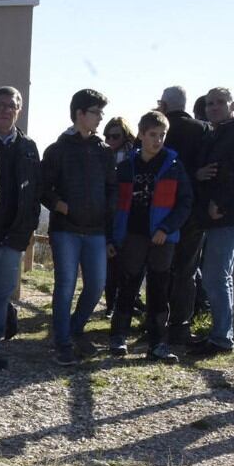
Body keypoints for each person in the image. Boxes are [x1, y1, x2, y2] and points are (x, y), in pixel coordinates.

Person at [107, 110, 194, 362]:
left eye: (162, 135)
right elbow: (114, 205)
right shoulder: (125, 167)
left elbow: (184, 203)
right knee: (128, 286)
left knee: (158, 290)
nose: (157, 140)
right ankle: (118, 337)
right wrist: (112, 238)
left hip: (162, 239)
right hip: (133, 235)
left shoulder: (174, 167)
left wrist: (166, 228)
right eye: (153, 135)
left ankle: (157, 343)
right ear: (141, 134)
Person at [40, 90, 117, 365]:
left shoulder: (104, 152)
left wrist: (108, 226)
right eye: (96, 112)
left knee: (96, 285)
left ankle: (74, 329)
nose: (100, 118)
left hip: (96, 230)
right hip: (66, 230)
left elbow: (112, 190)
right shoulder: (57, 150)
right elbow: (42, 188)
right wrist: (60, 205)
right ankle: (62, 342)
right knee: (65, 286)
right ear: (80, 114)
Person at [187, 88, 234, 354]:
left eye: (220, 103)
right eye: (210, 104)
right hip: (221, 215)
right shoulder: (220, 133)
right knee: (217, 275)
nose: (214, 107)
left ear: (233, 105)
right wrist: (198, 174)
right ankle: (220, 334)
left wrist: (218, 201)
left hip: (229, 214)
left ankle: (221, 339)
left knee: (215, 275)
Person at [0, 85, 42, 369]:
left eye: (11, 105)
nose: (6, 109)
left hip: (13, 236)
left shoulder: (28, 147)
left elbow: (34, 193)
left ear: (19, 111)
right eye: (0, 104)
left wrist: (26, 231)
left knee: (2, 293)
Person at [157, 86, 211, 346]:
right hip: (192, 210)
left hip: (159, 210)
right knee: (186, 271)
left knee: (159, 268)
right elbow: (210, 168)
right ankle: (180, 327)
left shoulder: (157, 128)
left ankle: (155, 323)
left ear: (164, 104)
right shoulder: (202, 130)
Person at [98, 115, 135, 320]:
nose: (110, 140)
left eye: (115, 136)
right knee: (111, 265)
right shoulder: (103, 156)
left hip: (129, 215)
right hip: (109, 215)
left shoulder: (134, 159)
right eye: (107, 136)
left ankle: (127, 306)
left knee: (129, 265)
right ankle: (111, 305)